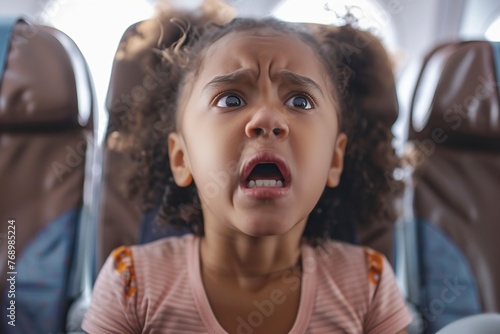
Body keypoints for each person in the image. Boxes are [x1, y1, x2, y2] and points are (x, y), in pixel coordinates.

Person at [82, 15, 412, 334]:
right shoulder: (131, 283)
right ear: (181, 158)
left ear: (334, 160)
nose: (267, 118)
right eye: (231, 99)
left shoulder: (369, 286)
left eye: (299, 101)